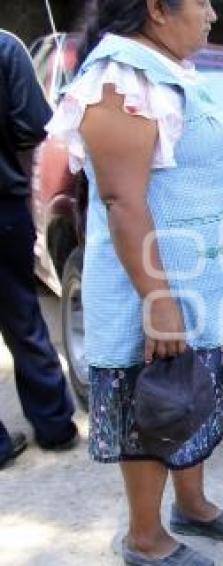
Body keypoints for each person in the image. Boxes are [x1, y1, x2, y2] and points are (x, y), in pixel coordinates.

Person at [45, 1, 223, 564]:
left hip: (194, 288)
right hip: (156, 290)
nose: (214, 14)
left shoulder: (164, 72)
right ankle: (144, 539)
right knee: (156, 407)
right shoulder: (119, 82)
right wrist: (160, 304)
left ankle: (190, 505)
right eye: (201, 3)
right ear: (156, 8)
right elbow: (123, 201)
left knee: (189, 394)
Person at [0, 29, 79, 470]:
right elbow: (34, 127)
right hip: (3, 207)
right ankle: (53, 426)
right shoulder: (6, 47)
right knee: (22, 318)